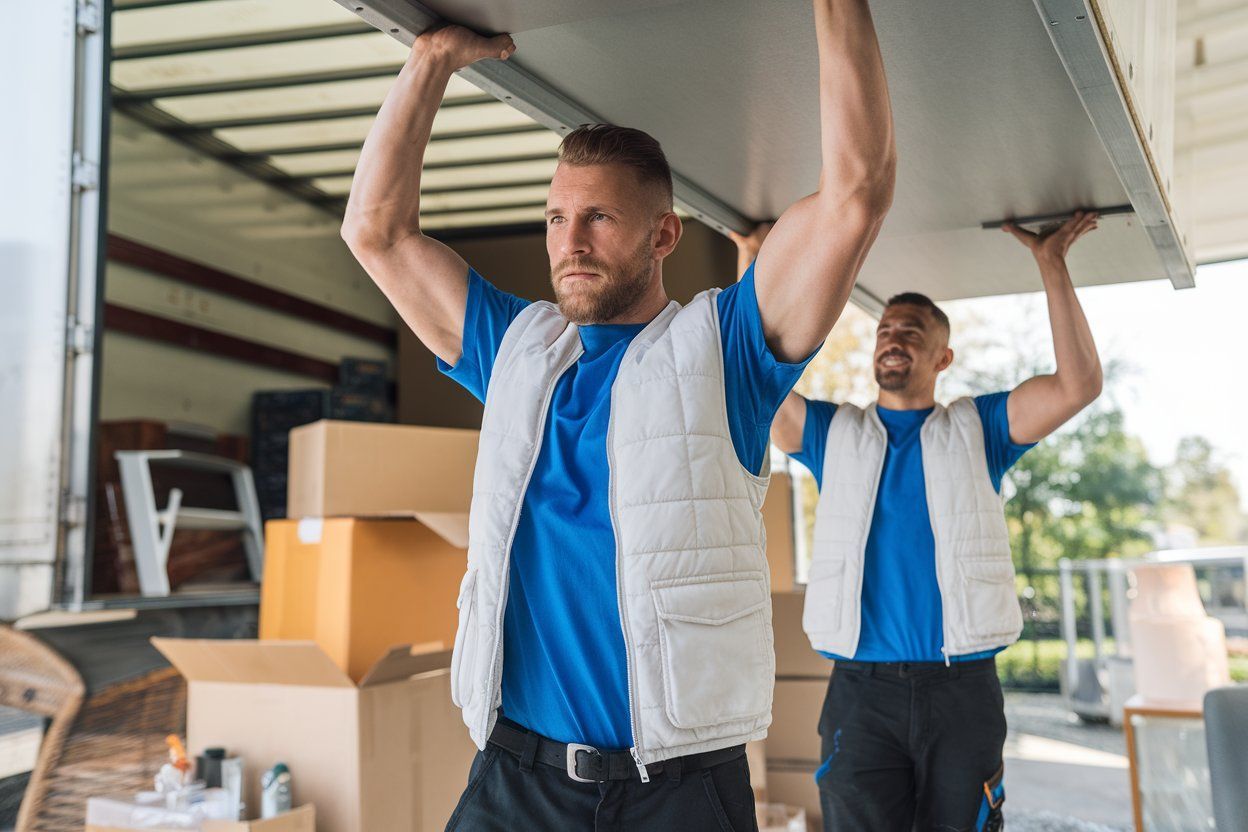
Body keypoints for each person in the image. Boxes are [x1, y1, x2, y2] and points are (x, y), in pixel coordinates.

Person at [340, 2, 895, 829]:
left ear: (664, 234)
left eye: (598, 217)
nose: (571, 242)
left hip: (678, 791)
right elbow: (376, 231)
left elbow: (856, 192)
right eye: (558, 218)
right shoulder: (518, 351)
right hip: (514, 781)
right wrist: (431, 62)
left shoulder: (726, 348)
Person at [735, 211, 1103, 831]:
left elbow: (1077, 384)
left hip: (961, 690)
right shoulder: (835, 433)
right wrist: (755, 263)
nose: (893, 338)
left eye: (911, 330)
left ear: (943, 355)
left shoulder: (980, 428)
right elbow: (750, 381)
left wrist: (1051, 264)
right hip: (860, 690)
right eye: (885, 329)